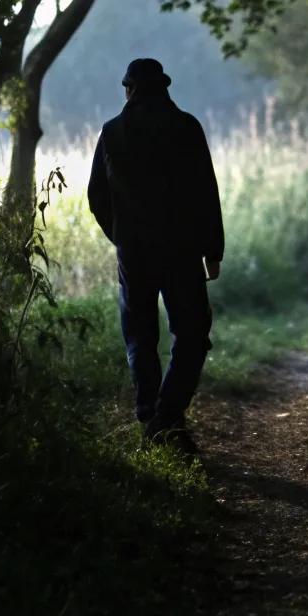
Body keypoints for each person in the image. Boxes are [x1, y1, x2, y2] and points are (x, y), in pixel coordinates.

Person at [87, 57, 224, 449]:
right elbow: (205, 192)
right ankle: (169, 414)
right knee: (192, 333)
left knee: (140, 337)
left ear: (129, 89)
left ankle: (151, 416)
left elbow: (97, 197)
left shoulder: (113, 132)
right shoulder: (186, 128)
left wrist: (121, 236)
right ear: (164, 87)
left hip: (134, 253)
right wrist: (212, 249)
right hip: (182, 251)